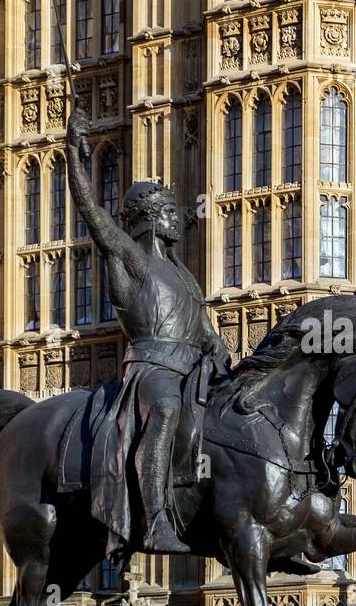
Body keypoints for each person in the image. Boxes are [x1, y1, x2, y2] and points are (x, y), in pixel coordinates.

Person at [64, 109, 231, 556]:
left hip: (192, 369)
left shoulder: (184, 275)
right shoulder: (132, 259)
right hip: (152, 370)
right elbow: (93, 214)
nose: (177, 219)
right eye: (168, 211)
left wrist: (221, 354)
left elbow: (204, 331)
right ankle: (154, 521)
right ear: (148, 217)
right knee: (165, 408)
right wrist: (74, 157)